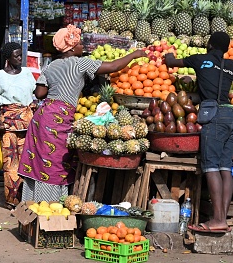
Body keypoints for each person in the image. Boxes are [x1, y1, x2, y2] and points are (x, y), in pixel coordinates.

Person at [18, 25, 147, 202]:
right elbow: (113, 66)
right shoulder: (81, 63)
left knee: (40, 159)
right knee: (55, 160)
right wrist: (134, 55)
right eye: (79, 44)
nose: (83, 47)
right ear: (71, 48)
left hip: (42, 117)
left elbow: (39, 93)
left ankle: (34, 203)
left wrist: (57, 85)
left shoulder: (52, 65)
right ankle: (51, 204)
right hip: (59, 118)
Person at [165, 32, 233, 233]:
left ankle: (218, 219)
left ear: (209, 45)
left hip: (213, 116)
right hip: (230, 114)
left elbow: (171, 62)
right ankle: (223, 218)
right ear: (227, 49)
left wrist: (168, 53)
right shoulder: (230, 66)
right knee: (226, 168)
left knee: (211, 166)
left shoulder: (200, 59)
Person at [0, 42, 37, 207]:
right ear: (8, 58)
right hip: (8, 123)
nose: (19, 59)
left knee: (27, 160)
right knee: (10, 163)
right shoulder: (0, 75)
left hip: (28, 122)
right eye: (16, 56)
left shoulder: (28, 73)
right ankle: (12, 200)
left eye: (20, 55)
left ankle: (27, 198)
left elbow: (35, 94)